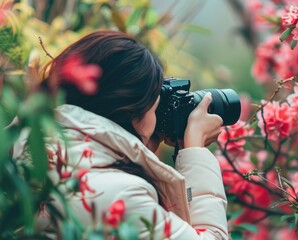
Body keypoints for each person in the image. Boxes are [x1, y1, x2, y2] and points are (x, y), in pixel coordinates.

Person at [13, 30, 228, 239]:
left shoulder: (18, 146)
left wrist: (143, 142)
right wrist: (195, 149)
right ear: (132, 114)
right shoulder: (123, 194)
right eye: (154, 110)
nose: (156, 119)